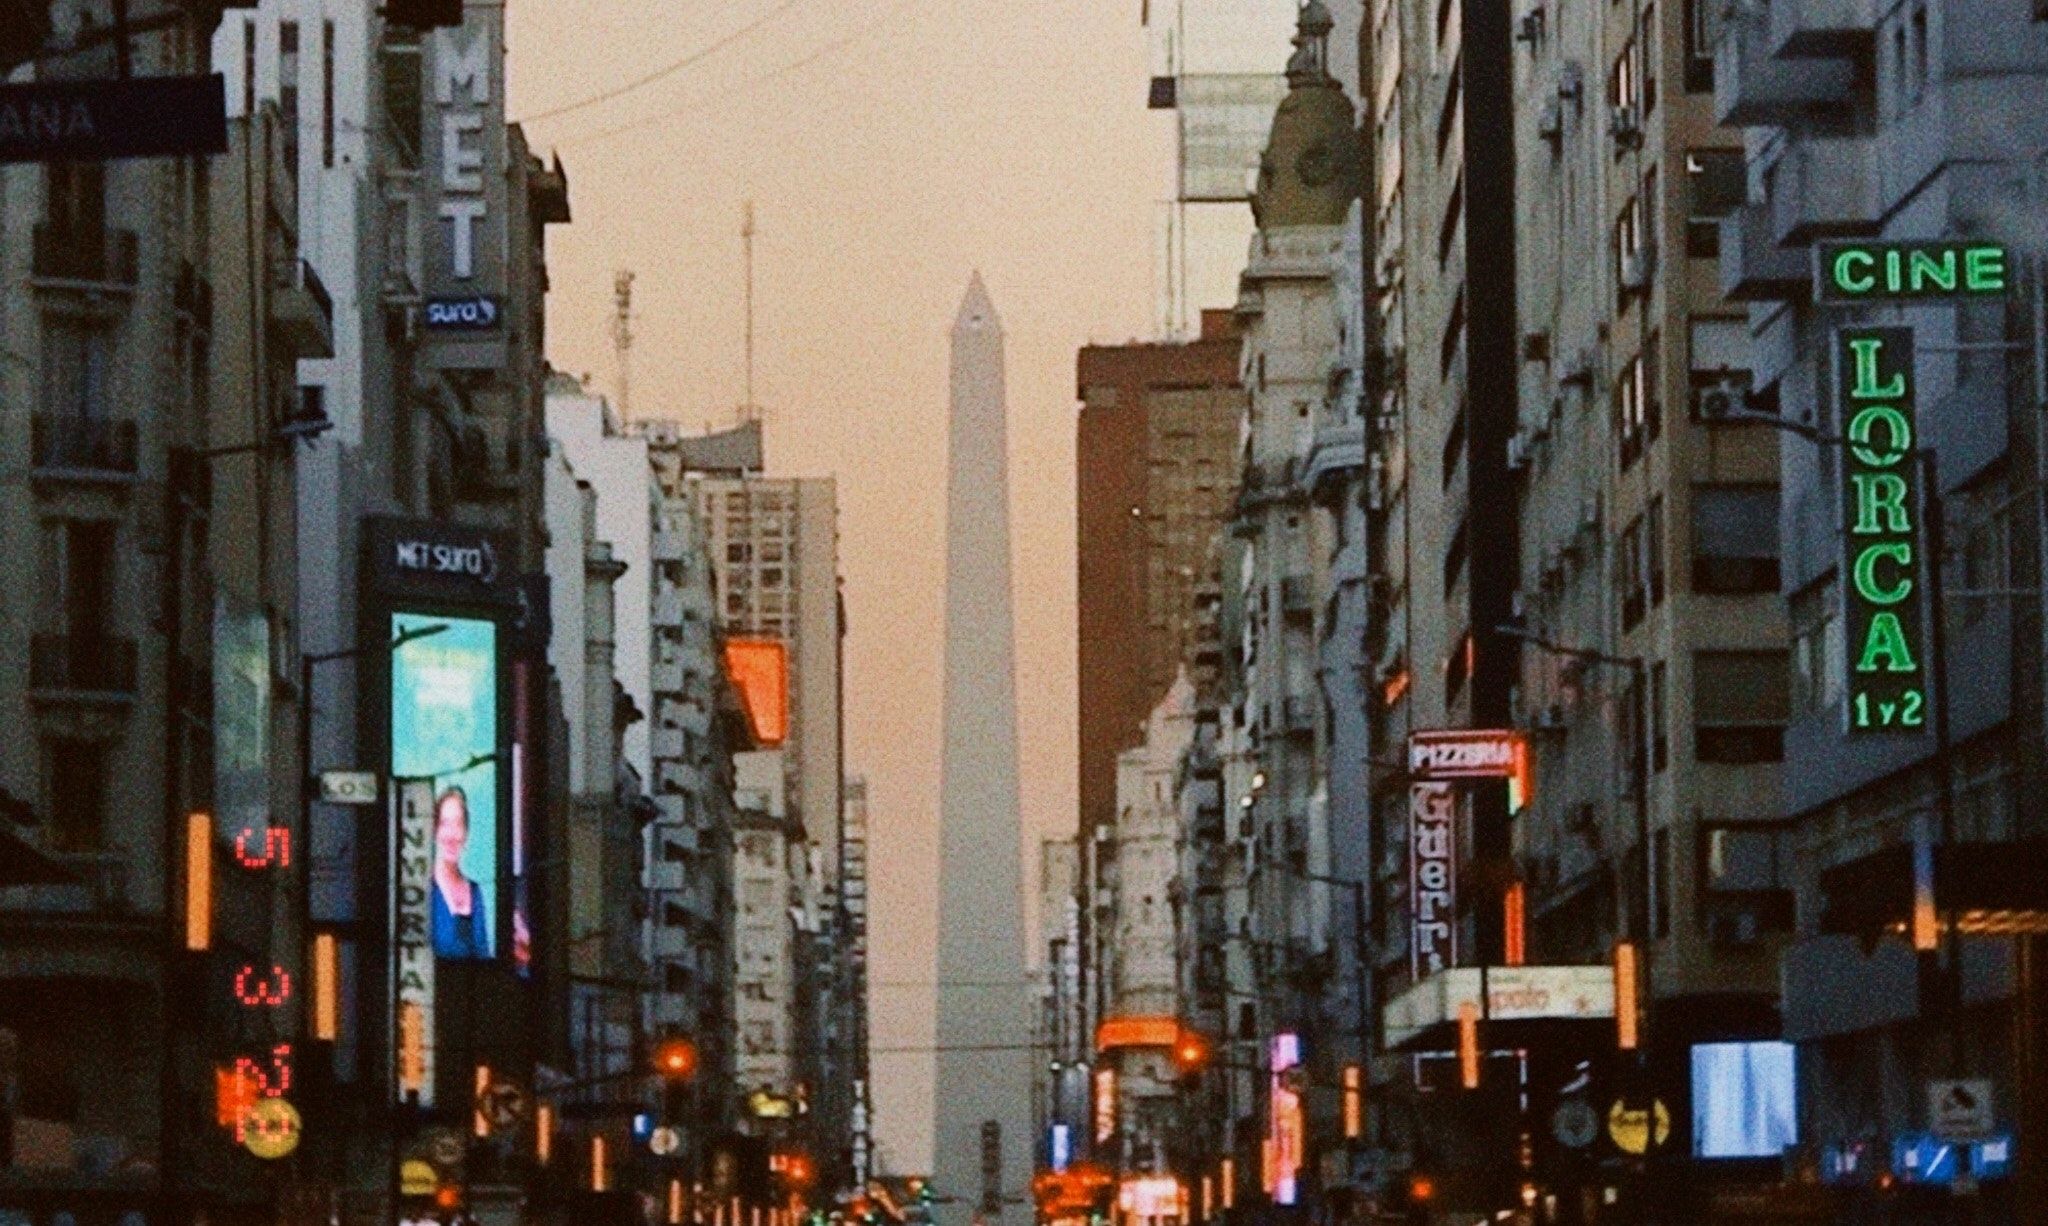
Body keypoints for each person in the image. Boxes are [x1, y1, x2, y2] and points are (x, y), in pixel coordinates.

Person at [430, 786, 491, 958]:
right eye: (444, 824)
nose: (451, 835)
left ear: (466, 832)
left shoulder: (475, 892)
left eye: (458, 824)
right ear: (434, 831)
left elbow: (483, 955)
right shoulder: (424, 890)